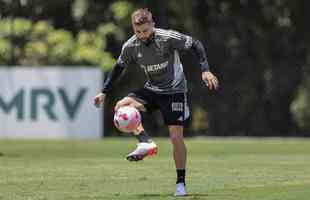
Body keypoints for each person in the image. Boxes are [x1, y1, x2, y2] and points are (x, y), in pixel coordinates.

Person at [93, 8, 219, 196]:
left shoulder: (167, 37)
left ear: (152, 24)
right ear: (134, 29)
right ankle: (145, 142)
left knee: (176, 138)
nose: (142, 35)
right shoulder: (130, 46)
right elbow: (118, 68)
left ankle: (180, 184)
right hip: (152, 89)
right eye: (138, 32)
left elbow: (195, 44)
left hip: (175, 91)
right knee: (121, 106)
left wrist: (205, 69)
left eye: (145, 30)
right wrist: (103, 92)